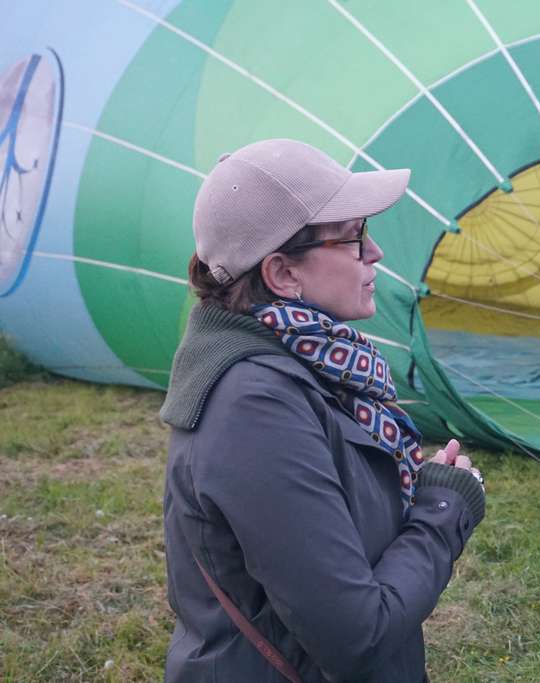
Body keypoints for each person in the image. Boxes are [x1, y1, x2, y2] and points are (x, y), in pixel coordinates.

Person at [160, 139, 485, 682]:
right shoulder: (256, 409)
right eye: (354, 236)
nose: (375, 252)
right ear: (283, 274)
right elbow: (357, 636)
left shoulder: (312, 368)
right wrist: (442, 511)